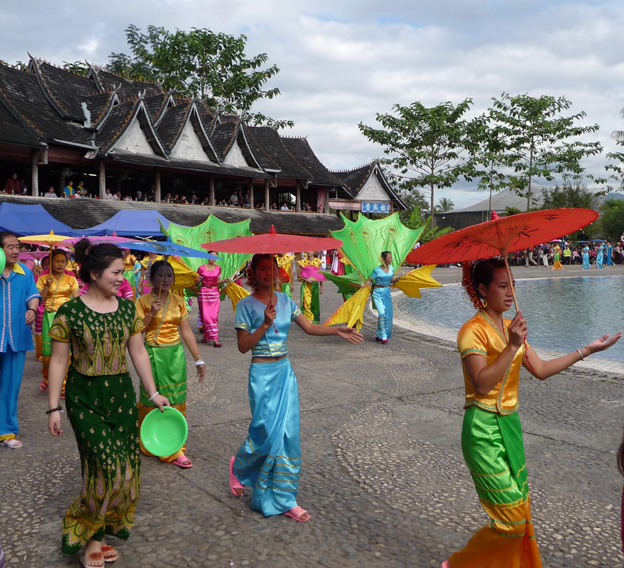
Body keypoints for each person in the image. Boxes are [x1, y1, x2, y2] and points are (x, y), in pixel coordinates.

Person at [442, 259, 621, 568]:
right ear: (483, 289)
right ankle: (456, 565)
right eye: (502, 286)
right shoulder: (471, 331)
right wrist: (512, 347)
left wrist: (587, 350)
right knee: (510, 519)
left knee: (520, 509)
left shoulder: (511, 328)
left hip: (510, 425)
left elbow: (540, 370)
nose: (511, 292)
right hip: (482, 429)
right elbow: (482, 385)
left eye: (512, 284)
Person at [46, 239, 169, 568]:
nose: (121, 277)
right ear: (96, 273)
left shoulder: (128, 309)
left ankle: (97, 537)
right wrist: (53, 407)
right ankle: (83, 532)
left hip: (122, 400)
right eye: (116, 272)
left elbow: (139, 352)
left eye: (122, 271)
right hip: (84, 400)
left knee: (126, 474)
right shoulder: (69, 312)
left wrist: (153, 393)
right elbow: (58, 362)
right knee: (107, 469)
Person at [229, 254, 363, 522]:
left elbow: (310, 327)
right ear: (254, 273)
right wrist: (265, 324)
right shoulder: (245, 305)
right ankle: (239, 465)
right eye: (263, 269)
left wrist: (337, 329)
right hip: (262, 374)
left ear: (279, 271)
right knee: (264, 432)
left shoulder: (287, 301)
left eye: (273, 268)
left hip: (284, 373)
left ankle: (284, 498)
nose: (269, 273)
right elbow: (243, 347)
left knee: (288, 436)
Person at [135, 260, 205, 468]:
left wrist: (198, 358)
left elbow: (186, 331)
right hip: (151, 355)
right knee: (151, 398)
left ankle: (175, 448)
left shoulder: (178, 301)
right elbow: (136, 331)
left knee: (175, 399)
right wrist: (150, 314)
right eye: (161, 276)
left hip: (174, 356)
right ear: (151, 279)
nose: (166, 280)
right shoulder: (143, 301)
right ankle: (150, 441)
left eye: (169, 276)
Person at [0, 232, 40, 448]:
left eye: (17, 246)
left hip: (16, 336)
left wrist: (32, 309)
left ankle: (6, 431)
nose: (16, 251)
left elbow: (32, 294)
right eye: (10, 247)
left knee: (11, 385)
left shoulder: (24, 272)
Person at [36, 250, 79, 393]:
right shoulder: (43, 279)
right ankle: (47, 378)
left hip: (65, 317)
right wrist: (47, 286)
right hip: (49, 317)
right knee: (48, 355)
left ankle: (63, 386)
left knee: (65, 354)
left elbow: (77, 300)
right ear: (51, 262)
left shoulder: (70, 279)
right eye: (57, 261)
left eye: (63, 261)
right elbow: (39, 301)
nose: (60, 264)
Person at [367, 251, 400, 344]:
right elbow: (370, 280)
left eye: (391, 257)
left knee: (387, 314)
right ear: (383, 259)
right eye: (389, 258)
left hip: (387, 292)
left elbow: (391, 279)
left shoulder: (392, 268)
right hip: (377, 292)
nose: (390, 259)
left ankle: (379, 334)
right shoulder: (376, 270)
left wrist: (400, 278)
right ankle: (383, 335)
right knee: (381, 313)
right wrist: (365, 288)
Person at [197, 253, 227, 347]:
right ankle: (206, 335)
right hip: (204, 292)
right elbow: (197, 280)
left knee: (214, 316)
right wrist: (192, 280)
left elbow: (216, 281)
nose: (213, 259)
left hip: (214, 292)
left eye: (215, 257)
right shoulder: (201, 268)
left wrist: (225, 280)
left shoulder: (218, 268)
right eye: (211, 256)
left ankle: (215, 339)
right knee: (205, 315)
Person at [297, 251, 324, 323]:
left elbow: (321, 275)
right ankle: (308, 320)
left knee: (314, 302)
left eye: (311, 251)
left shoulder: (318, 262)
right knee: (306, 302)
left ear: (314, 251)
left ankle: (314, 319)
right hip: (306, 285)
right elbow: (299, 275)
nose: (309, 252)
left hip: (315, 285)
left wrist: (321, 286)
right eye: (308, 251)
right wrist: (306, 279)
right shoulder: (303, 262)